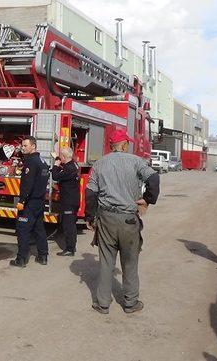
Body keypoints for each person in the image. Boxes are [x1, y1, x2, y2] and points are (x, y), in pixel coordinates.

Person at [85, 129, 160, 314]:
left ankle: (102, 303)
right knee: (130, 262)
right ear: (124, 145)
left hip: (106, 219)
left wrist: (90, 216)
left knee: (106, 262)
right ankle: (130, 303)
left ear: (111, 146)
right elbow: (154, 178)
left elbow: (90, 192)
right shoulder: (136, 161)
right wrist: (148, 199)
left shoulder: (100, 164)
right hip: (128, 219)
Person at [10, 136, 50, 267]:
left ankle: (21, 259)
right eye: (22, 146)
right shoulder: (42, 160)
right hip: (39, 201)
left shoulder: (31, 162)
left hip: (30, 202)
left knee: (23, 230)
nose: (23, 148)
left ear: (33, 146)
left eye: (25, 146)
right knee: (39, 229)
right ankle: (43, 256)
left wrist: (22, 200)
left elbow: (28, 183)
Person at [51, 147, 80, 257]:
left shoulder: (69, 168)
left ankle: (70, 249)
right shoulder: (73, 165)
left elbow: (56, 176)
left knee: (68, 226)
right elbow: (62, 174)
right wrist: (59, 167)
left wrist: (55, 165)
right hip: (73, 200)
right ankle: (72, 247)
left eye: (61, 156)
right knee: (70, 224)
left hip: (69, 201)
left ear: (63, 157)